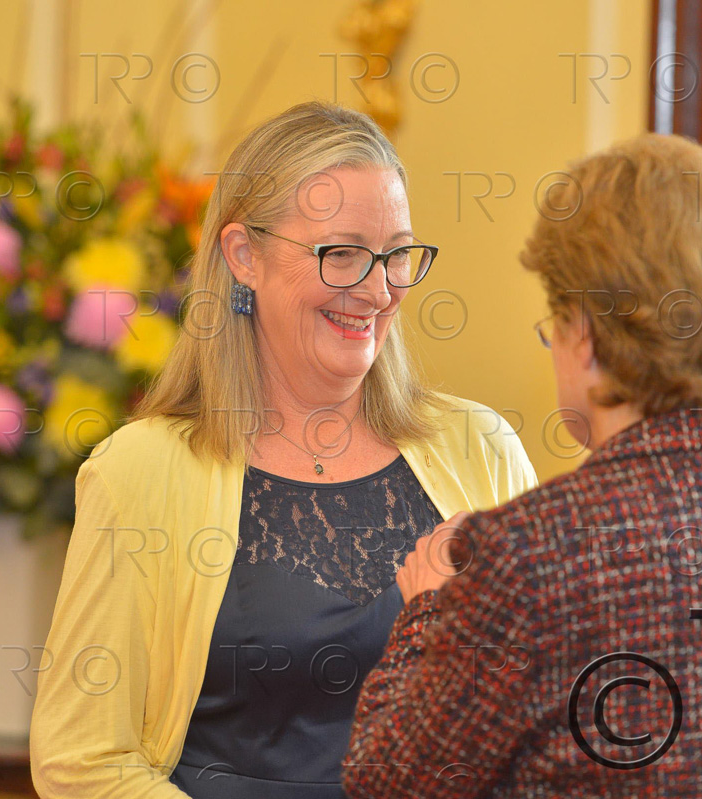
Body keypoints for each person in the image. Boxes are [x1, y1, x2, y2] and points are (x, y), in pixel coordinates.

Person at [343, 132, 702, 797]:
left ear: (585, 335)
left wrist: (428, 614)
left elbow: (387, 784)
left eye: (553, 327)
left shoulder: (527, 553)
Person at [28, 100, 537, 799]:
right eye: (342, 253)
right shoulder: (139, 473)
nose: (378, 289)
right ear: (244, 256)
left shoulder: (482, 449)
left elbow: (544, 720)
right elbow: (80, 761)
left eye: (396, 255)